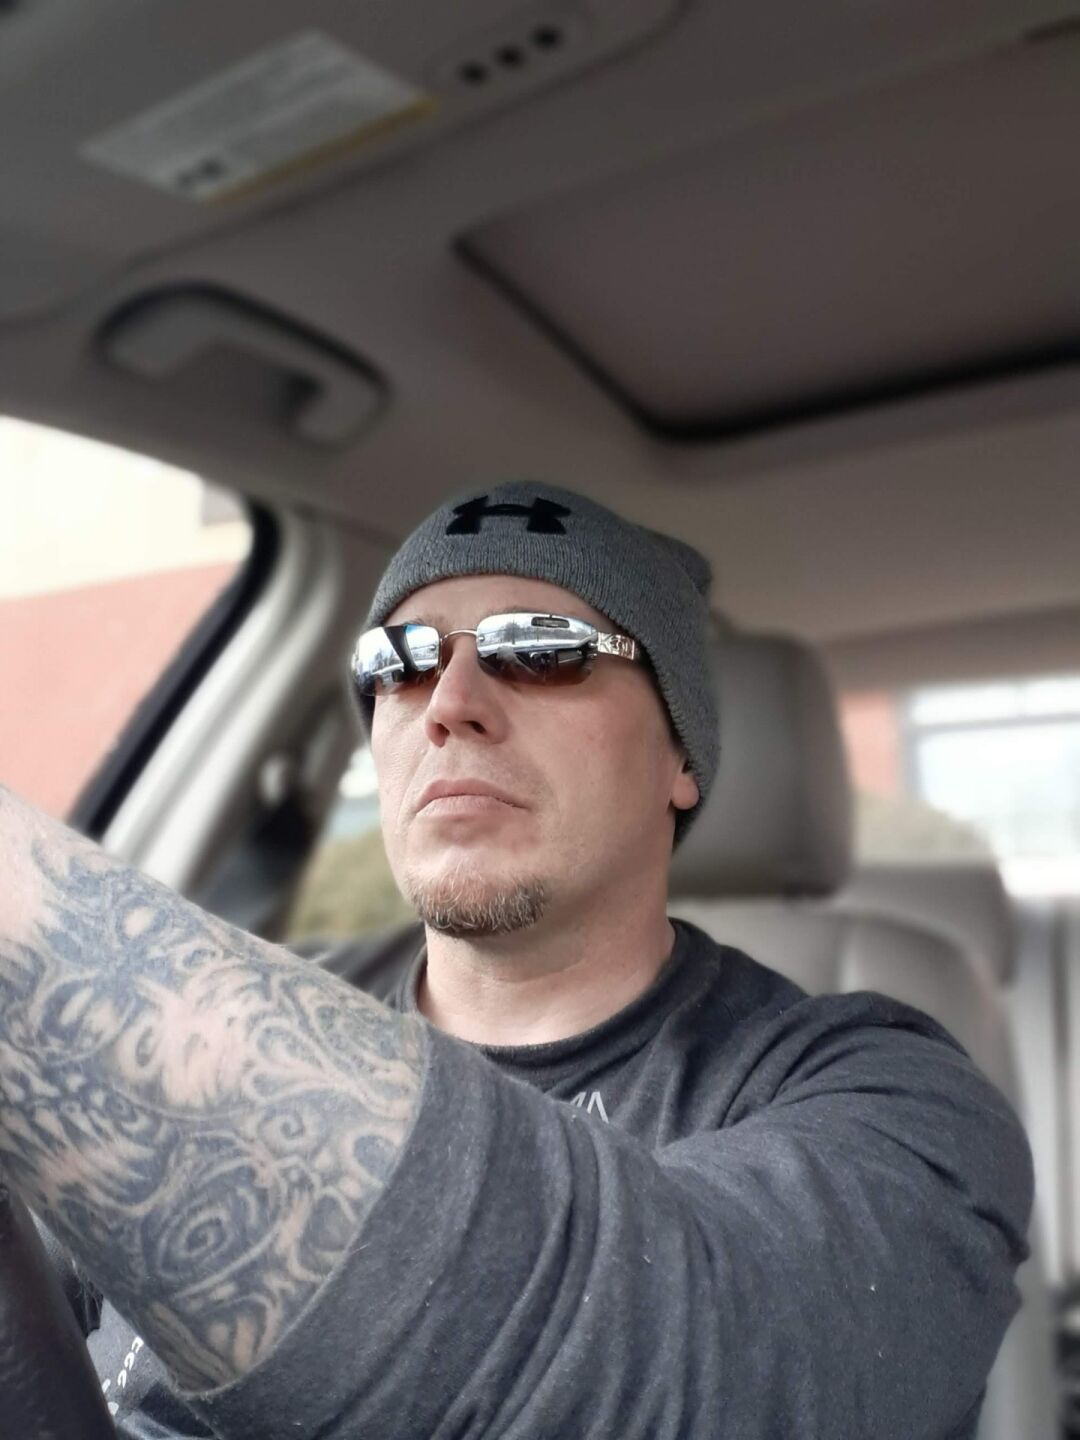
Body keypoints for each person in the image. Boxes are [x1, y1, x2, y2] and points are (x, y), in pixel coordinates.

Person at [0, 481, 1033, 1439]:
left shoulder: (892, 1097)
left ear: (679, 755)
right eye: (397, 662)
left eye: (540, 648)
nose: (446, 700)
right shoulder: (276, 998)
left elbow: (701, 1373)